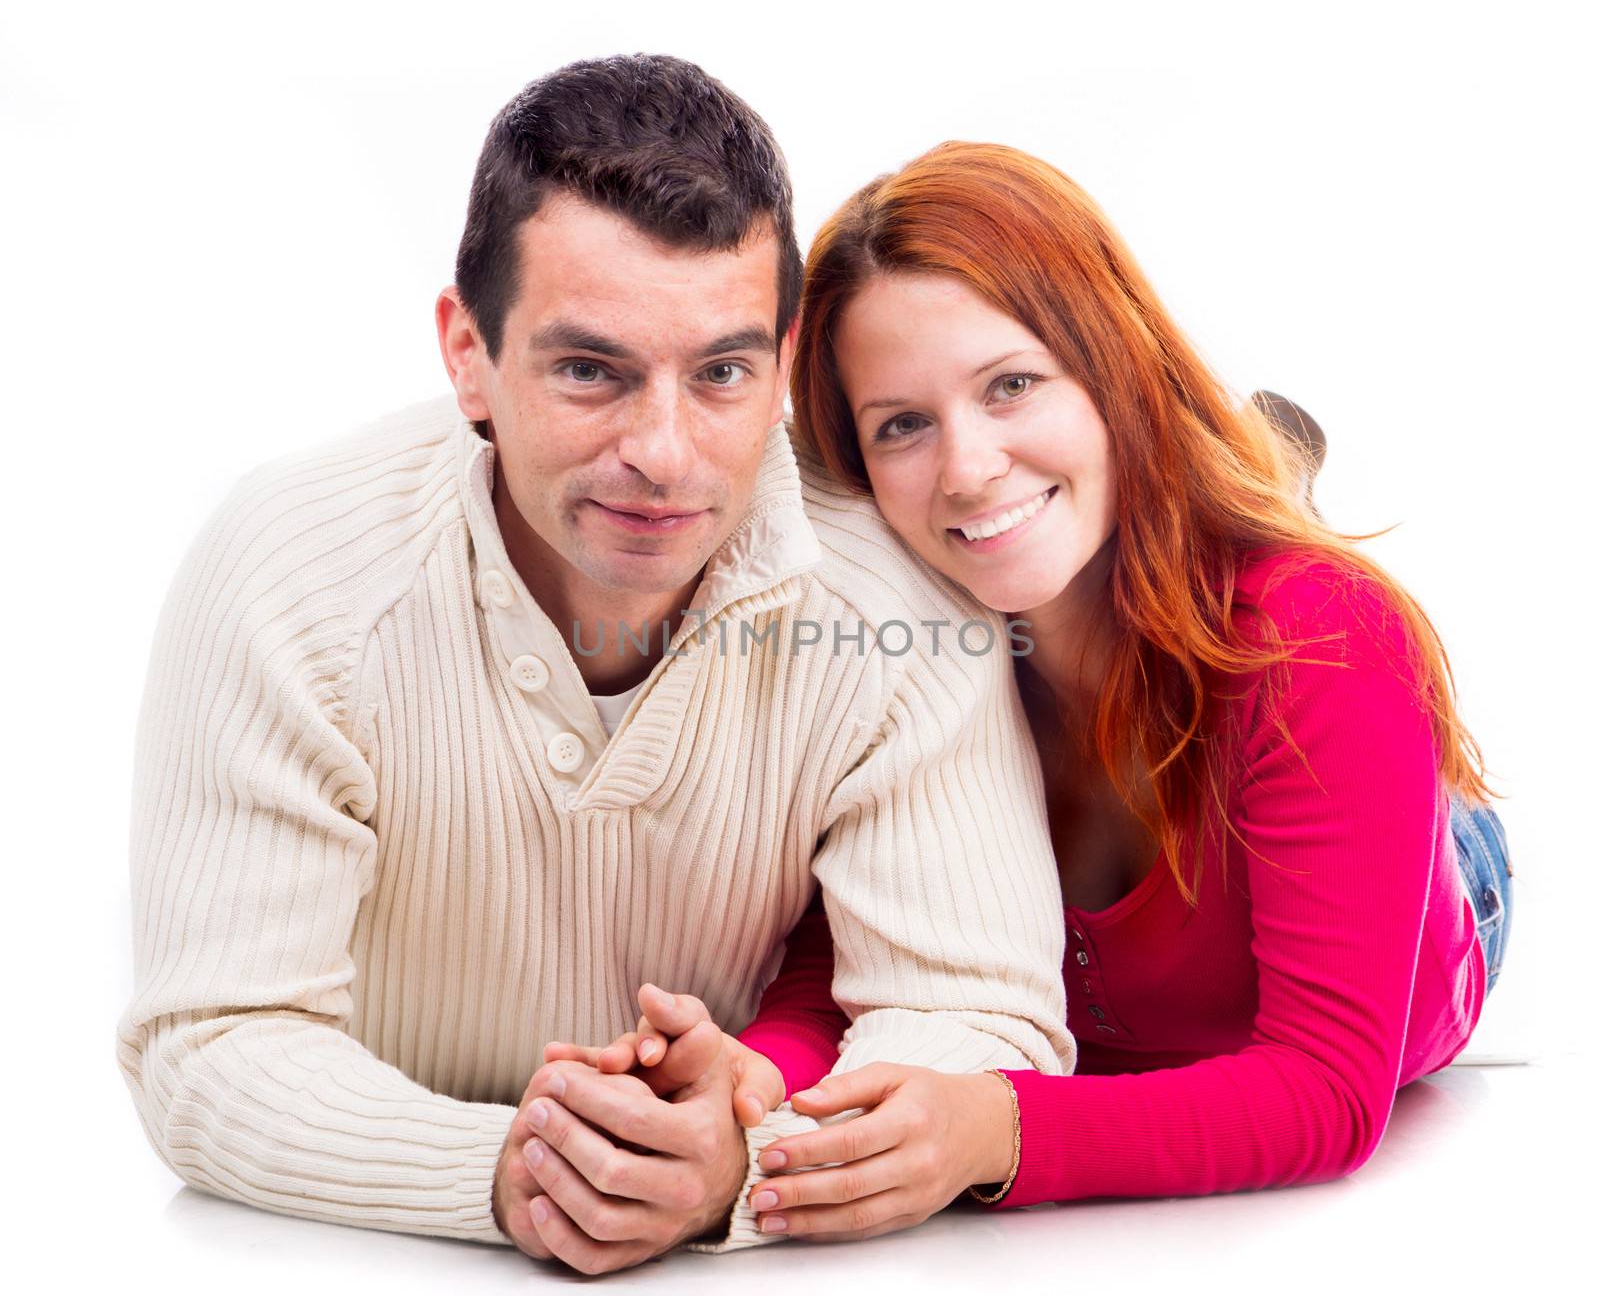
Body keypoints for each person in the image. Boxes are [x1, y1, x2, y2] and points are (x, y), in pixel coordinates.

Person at [114, 68, 1076, 1276]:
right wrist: (509, 1171)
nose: (663, 455)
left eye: (722, 373)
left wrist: (748, 1149)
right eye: (589, 371)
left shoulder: (900, 595)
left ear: (782, 362)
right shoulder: (290, 568)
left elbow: (983, 1016)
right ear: (469, 352)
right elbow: (214, 1038)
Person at [577, 140, 1514, 1243]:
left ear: (1112, 363)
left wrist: (996, 1130)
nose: (968, 468)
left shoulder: (1325, 638)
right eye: (902, 425)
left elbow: (1324, 1093)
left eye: (1010, 384)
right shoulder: (896, 649)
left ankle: (1257, 474)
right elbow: (854, 949)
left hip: (1439, 895)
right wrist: (756, 1081)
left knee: (1319, 672)